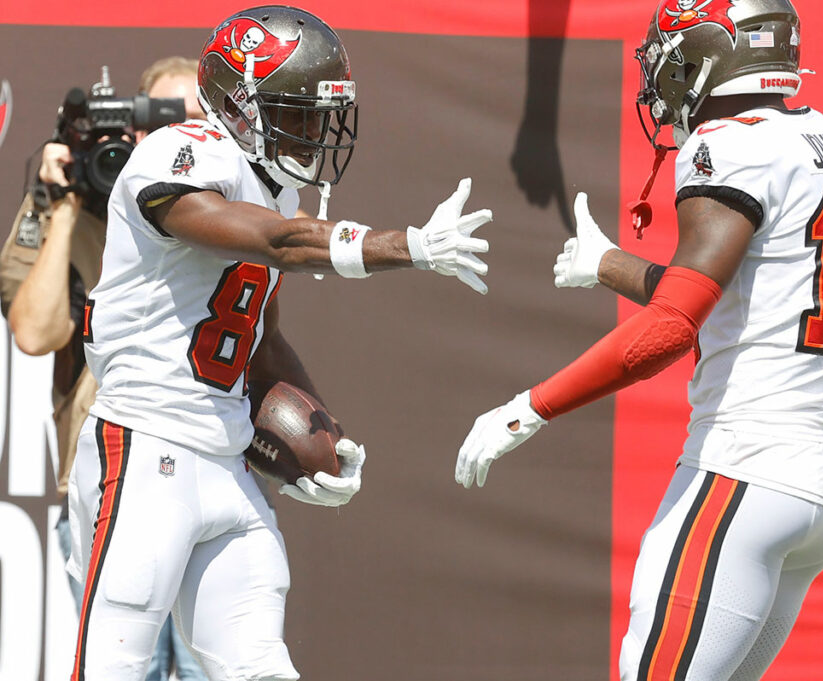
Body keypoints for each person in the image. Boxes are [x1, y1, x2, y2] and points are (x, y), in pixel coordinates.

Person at [64, 6, 492, 681]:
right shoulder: (180, 153)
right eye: (296, 112)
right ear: (238, 105)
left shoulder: (272, 187)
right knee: (112, 663)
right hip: (145, 445)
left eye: (319, 116)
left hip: (227, 459)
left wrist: (319, 430)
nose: (313, 133)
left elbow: (260, 337)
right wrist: (403, 245)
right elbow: (278, 243)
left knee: (260, 665)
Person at [455, 1, 823, 680]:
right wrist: (609, 264)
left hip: (746, 465)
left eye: (674, 60)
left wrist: (528, 407)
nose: (664, 78)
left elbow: (673, 327)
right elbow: (740, 297)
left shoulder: (730, 145)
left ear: (715, 57)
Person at [0, 55, 211, 681]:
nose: (181, 139)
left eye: (195, 122)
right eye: (163, 122)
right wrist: (64, 203)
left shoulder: (230, 206)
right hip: (105, 483)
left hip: (211, 474)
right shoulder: (77, 207)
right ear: (133, 129)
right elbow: (34, 333)